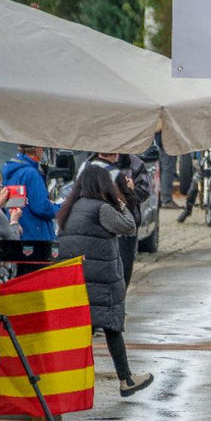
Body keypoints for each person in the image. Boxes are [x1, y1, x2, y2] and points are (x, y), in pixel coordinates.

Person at [55, 165, 154, 397]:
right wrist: (121, 199)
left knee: (81, 331)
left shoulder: (71, 209)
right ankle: (126, 379)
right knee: (112, 327)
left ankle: (66, 383)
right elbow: (129, 226)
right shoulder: (102, 209)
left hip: (76, 279)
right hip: (101, 280)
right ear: (103, 185)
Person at [82, 152, 151, 289]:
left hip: (125, 226)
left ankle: (120, 304)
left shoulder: (133, 162)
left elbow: (144, 190)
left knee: (124, 270)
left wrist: (131, 190)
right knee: (101, 270)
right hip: (99, 225)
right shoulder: (90, 163)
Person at [0, 145, 59, 243]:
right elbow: (41, 207)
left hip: (16, 230)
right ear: (37, 149)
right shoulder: (31, 173)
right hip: (35, 235)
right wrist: (59, 208)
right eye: (42, 148)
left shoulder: (11, 170)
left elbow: (14, 203)